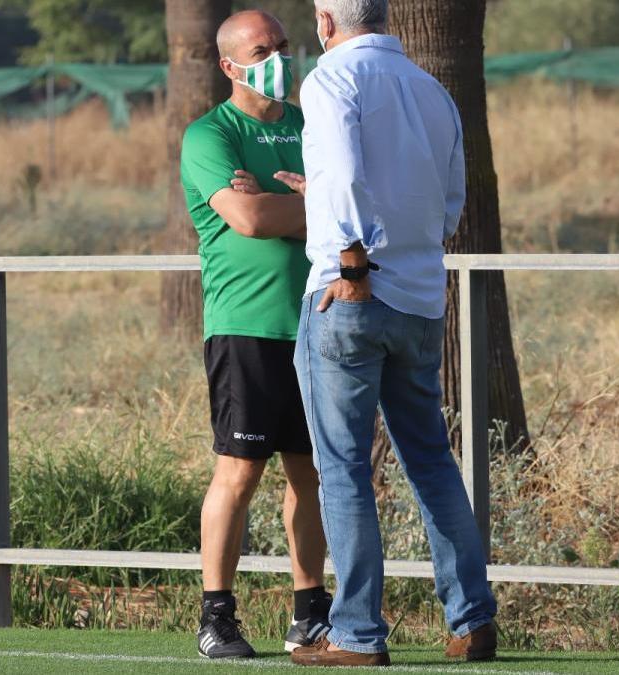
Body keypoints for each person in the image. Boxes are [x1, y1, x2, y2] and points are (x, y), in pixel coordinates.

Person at [282, 0, 499, 667]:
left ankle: (356, 632)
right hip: (418, 295)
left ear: (326, 23)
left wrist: (349, 255)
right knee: (430, 459)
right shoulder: (430, 87)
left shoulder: (328, 79)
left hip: (351, 290)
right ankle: (472, 620)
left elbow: (346, 172)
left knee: (343, 467)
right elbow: (451, 196)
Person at [179, 9, 333, 660]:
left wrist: (290, 206)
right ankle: (217, 614)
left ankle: (310, 610)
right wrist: (312, 206)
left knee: (312, 474)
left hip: (319, 322)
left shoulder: (311, 125)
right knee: (239, 471)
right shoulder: (210, 134)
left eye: (283, 45)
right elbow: (245, 216)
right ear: (229, 65)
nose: (278, 58)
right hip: (246, 328)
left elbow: (347, 207)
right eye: (261, 49)